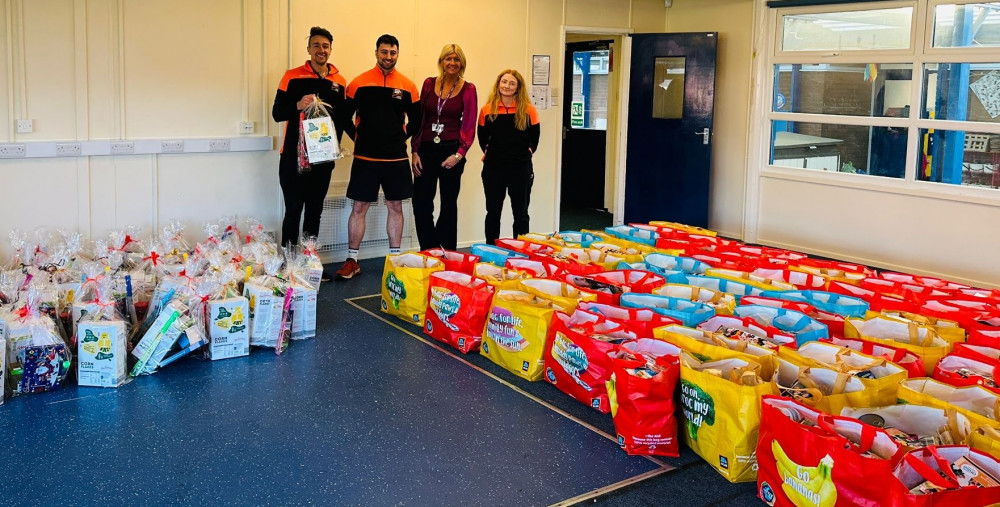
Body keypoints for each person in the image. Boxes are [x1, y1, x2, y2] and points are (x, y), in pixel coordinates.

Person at [336, 34, 421, 279]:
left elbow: (416, 121)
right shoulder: (358, 83)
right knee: (359, 207)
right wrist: (359, 138)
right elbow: (343, 118)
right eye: (384, 52)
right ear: (376, 53)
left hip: (396, 159)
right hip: (365, 159)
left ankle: (395, 259)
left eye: (393, 53)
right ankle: (352, 259)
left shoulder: (408, 86)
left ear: (397, 54)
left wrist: (400, 137)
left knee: (395, 206)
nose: (388, 57)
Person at [271, 26, 353, 273]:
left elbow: (345, 118)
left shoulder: (339, 81)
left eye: (325, 46)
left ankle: (308, 265)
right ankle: (288, 265)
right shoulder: (292, 77)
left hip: (324, 158)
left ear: (330, 50)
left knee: (315, 212)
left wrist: (360, 139)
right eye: (316, 45)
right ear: (308, 49)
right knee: (293, 210)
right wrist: (297, 104)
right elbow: (277, 113)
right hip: (293, 159)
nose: (321, 50)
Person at [411, 44, 478, 251]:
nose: (452, 63)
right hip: (426, 150)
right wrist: (414, 150)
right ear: (441, 61)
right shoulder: (429, 84)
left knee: (448, 205)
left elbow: (469, 124)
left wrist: (459, 154)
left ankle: (446, 251)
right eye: (448, 58)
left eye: (456, 59)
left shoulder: (468, 89)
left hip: (452, 152)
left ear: (462, 64)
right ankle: (428, 249)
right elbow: (420, 119)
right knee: (421, 204)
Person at [477, 70, 540, 245]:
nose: (507, 86)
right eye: (504, 82)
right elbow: (482, 138)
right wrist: (493, 154)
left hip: (520, 169)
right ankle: (491, 248)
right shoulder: (487, 110)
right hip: (493, 168)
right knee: (493, 212)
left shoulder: (529, 110)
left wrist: (522, 154)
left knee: (521, 214)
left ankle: (520, 251)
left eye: (512, 83)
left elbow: (534, 140)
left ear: (518, 87)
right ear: (498, 84)